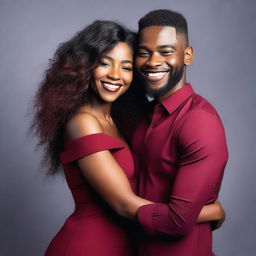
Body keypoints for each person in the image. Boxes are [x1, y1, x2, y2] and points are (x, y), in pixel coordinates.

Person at [31, 20, 225, 256]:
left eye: (126, 67)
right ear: (85, 67)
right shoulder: (82, 123)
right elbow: (124, 204)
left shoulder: (122, 121)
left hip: (128, 246)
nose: (115, 75)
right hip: (89, 247)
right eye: (105, 63)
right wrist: (208, 212)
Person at [131, 9, 229, 256]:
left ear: (187, 56)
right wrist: (209, 211)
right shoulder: (141, 115)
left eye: (165, 52)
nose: (152, 61)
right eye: (144, 53)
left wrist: (121, 206)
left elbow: (177, 222)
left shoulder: (199, 121)